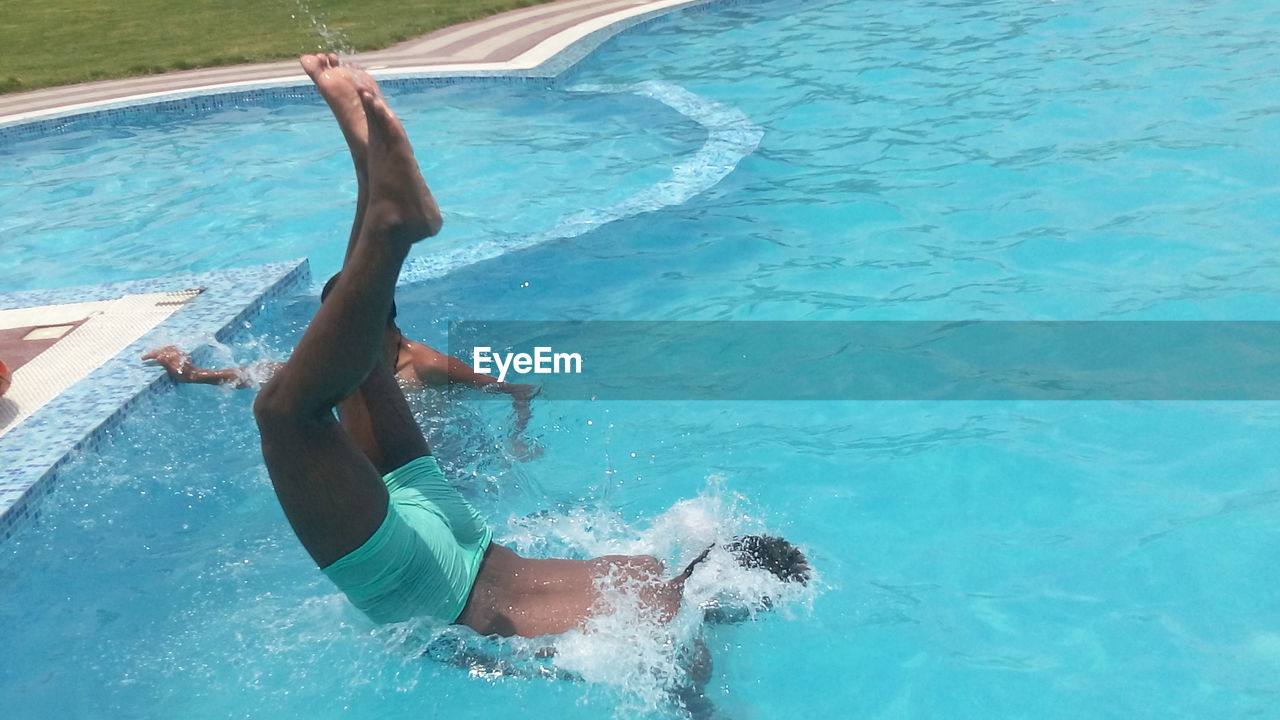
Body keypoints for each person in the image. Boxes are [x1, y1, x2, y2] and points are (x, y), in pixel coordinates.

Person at [250, 54, 808, 712]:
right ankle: (392, 223)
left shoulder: (642, 564)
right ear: (737, 611)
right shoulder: (671, 641)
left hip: (465, 534)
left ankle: (372, 177)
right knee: (288, 417)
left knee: (359, 351)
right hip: (434, 595)